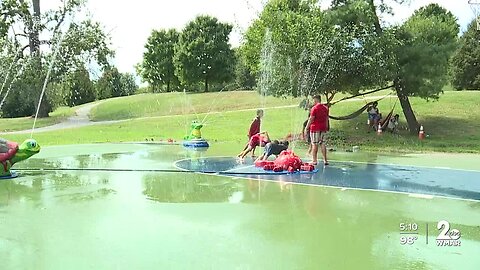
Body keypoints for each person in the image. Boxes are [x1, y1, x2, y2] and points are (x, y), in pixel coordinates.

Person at [304, 95, 329, 165]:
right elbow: (327, 118)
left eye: (313, 100)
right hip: (323, 128)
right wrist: (326, 127)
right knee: (323, 143)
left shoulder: (314, 108)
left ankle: (314, 160)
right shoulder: (325, 108)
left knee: (314, 144)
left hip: (315, 128)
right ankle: (325, 160)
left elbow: (311, 119)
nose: (313, 101)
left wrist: (306, 128)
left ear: (316, 100)